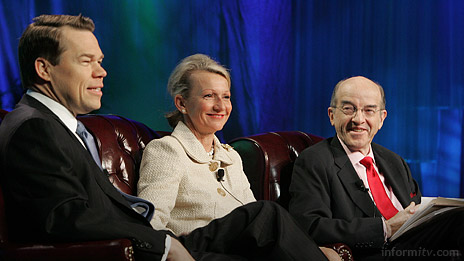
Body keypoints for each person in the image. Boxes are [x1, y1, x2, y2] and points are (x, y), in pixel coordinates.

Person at [0, 14, 329, 261]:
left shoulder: (62, 126)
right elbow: (65, 217)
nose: (102, 72)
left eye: (100, 61)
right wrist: (164, 244)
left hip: (156, 243)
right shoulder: (34, 126)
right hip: (141, 248)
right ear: (44, 68)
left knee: (263, 225)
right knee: (264, 217)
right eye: (86, 61)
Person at [138, 53, 341, 260]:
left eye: (225, 97)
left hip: (233, 249)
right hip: (192, 247)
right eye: (209, 96)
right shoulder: (167, 150)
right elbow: (149, 221)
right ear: (182, 103)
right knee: (267, 213)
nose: (220, 106)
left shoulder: (231, 157)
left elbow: (253, 223)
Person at [288, 76, 464, 260]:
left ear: (381, 119)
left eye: (369, 110)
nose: (358, 119)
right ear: (332, 116)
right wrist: (385, 228)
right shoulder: (315, 161)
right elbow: (309, 225)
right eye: (348, 109)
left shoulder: (395, 161)